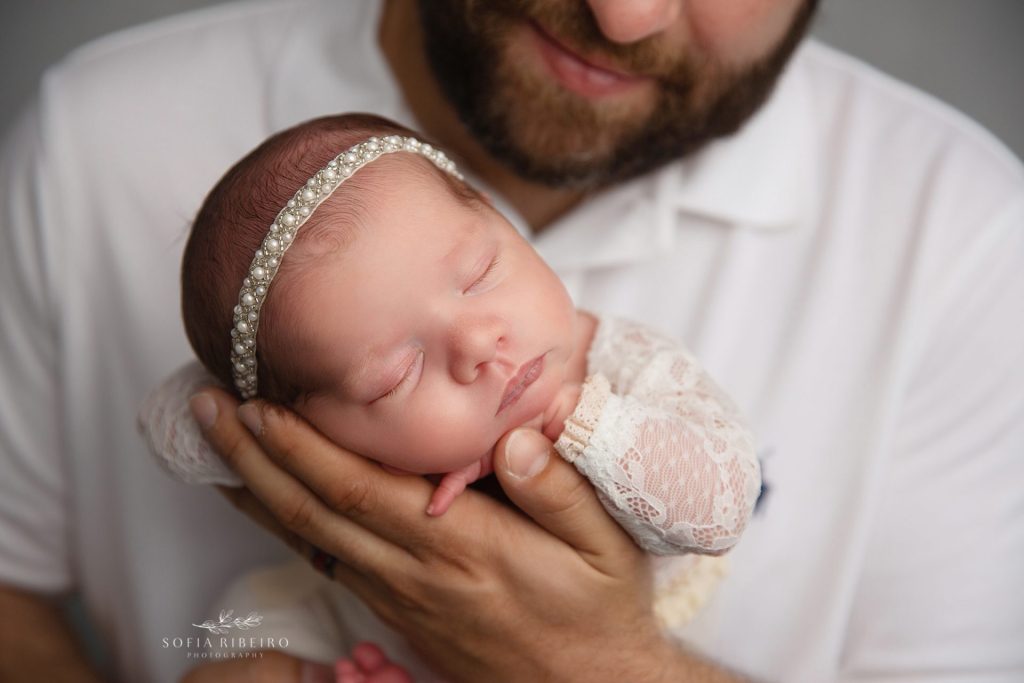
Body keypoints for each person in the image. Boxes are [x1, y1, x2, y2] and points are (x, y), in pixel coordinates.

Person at [0, 1, 1021, 681]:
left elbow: (705, 493)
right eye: (394, 369)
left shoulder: (969, 242)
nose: (623, 11)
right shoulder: (97, 135)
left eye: (483, 269)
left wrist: (592, 656)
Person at [140, 111, 759, 680]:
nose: (479, 344)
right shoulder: (302, 429)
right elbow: (171, 434)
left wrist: (582, 418)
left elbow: (723, 504)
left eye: (480, 273)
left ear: (502, 220)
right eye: (398, 374)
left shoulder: (624, 362)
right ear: (314, 423)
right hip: (368, 634)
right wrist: (250, 411)